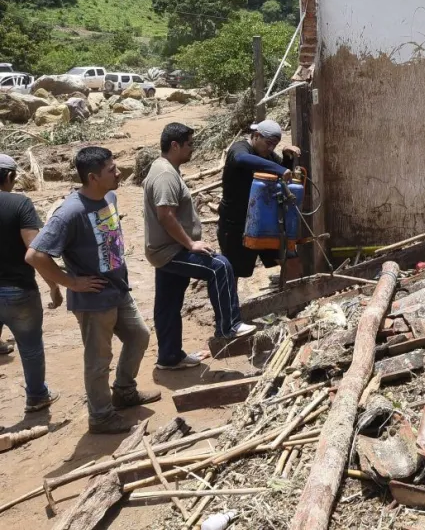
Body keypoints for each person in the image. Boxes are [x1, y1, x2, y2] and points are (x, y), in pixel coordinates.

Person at [26, 147, 159, 434]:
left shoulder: (109, 196)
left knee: (139, 336)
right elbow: (35, 256)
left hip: (118, 290)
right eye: (111, 169)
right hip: (93, 299)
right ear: (92, 177)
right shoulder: (69, 212)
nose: (118, 172)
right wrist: (71, 283)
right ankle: (100, 416)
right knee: (98, 360)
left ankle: (124, 391)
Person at [144, 123, 255, 369]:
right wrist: (190, 243)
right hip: (170, 251)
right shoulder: (165, 175)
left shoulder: (165, 169)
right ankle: (229, 326)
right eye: (189, 145)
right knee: (220, 266)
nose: (192, 149)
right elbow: (165, 215)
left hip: (163, 249)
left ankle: (169, 357)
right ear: (175, 145)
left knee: (168, 304)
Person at [0, 154, 60, 412]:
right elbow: (35, 251)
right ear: (10, 177)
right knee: (31, 346)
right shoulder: (20, 204)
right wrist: (54, 287)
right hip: (18, 291)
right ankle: (37, 396)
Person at [218, 120, 300, 278]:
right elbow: (242, 159)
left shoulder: (267, 155)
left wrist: (286, 158)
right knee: (233, 272)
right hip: (236, 224)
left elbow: (282, 175)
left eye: (274, 145)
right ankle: (230, 303)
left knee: (288, 258)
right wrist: (279, 168)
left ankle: (299, 296)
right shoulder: (240, 148)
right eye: (268, 143)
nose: (270, 148)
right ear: (256, 136)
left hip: (264, 221)